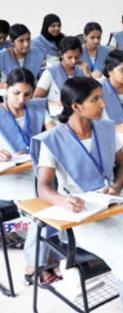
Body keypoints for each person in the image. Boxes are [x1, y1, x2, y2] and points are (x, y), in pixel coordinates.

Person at [32, 76, 123, 313]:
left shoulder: (106, 129)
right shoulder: (53, 140)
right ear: (76, 106)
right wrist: (63, 200)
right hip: (82, 215)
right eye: (95, 99)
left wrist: (116, 187)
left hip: (115, 203)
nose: (102, 104)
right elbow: (43, 187)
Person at [0, 68, 56, 284]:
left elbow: (54, 136)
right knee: (45, 207)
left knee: (59, 198)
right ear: (6, 89)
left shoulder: (37, 108)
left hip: (36, 172)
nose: (21, 99)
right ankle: (35, 264)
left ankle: (48, 256)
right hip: (9, 178)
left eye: (26, 94)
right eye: (16, 93)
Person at [34, 36, 89, 103]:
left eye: (76, 57)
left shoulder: (82, 69)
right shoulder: (50, 72)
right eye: (69, 57)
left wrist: (87, 73)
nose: (73, 61)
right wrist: (54, 104)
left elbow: (92, 93)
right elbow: (37, 98)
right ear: (61, 54)